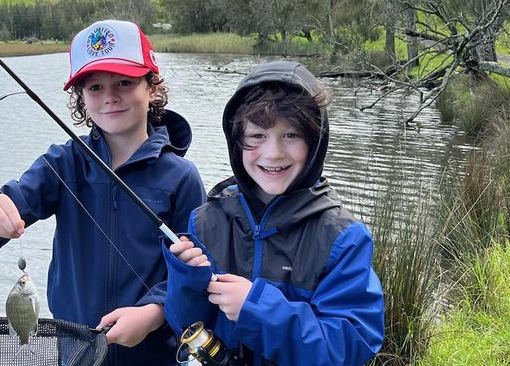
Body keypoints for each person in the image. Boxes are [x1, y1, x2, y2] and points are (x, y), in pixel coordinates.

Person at [0, 19, 206, 365]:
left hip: (155, 354)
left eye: (124, 82)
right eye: (94, 87)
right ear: (80, 97)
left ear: (151, 88)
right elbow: (5, 206)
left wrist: (154, 312)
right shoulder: (62, 164)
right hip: (75, 351)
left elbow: (195, 271)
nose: (110, 97)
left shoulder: (182, 177)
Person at [162, 61, 384, 365]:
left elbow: (348, 348)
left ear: (315, 142)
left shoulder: (344, 238)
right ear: (236, 141)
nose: (274, 153)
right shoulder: (204, 221)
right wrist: (186, 279)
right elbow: (183, 324)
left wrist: (256, 309)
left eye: (291, 135)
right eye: (257, 136)